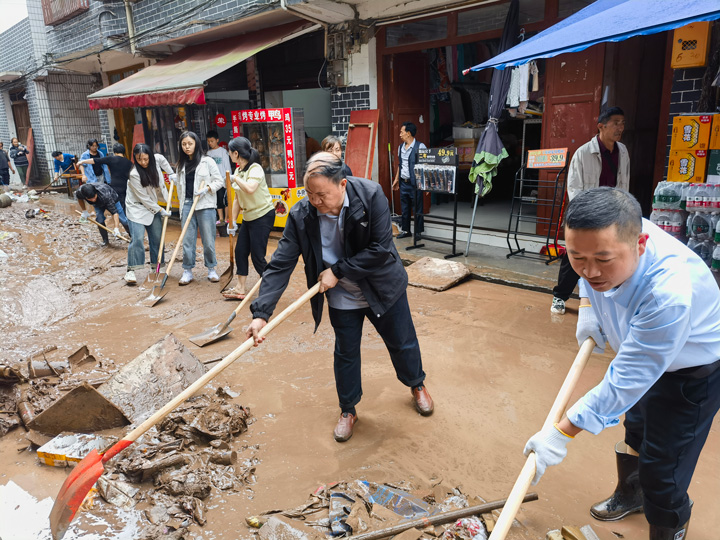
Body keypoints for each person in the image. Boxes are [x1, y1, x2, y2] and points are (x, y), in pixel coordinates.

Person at [524, 187, 720, 540]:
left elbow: (625, 380)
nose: (590, 270)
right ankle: (631, 495)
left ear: (641, 244)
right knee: (637, 432)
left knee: (664, 468)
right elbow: (589, 269)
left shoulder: (668, 294)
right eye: (577, 257)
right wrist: (587, 309)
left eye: (603, 259)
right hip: (643, 349)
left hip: (691, 373)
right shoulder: (611, 236)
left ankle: (667, 527)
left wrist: (561, 432)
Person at [245, 152, 434, 443]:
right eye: (310, 194)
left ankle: (416, 384)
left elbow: (381, 249)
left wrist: (338, 269)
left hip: (382, 286)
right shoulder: (301, 214)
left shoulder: (371, 196)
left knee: (402, 340)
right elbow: (280, 264)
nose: (316, 202)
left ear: (343, 184)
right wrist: (261, 313)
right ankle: (348, 409)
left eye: (322, 195)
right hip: (343, 295)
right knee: (346, 353)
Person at [551, 107, 630, 315]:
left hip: (611, 213)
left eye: (622, 123)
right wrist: (588, 215)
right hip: (586, 214)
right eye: (616, 123)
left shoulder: (623, 152)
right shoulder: (583, 153)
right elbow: (575, 189)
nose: (620, 128)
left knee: (607, 256)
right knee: (574, 256)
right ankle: (559, 297)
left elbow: (623, 185)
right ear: (601, 126)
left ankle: (603, 300)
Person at [226, 136, 275, 299]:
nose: (229, 155)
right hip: (248, 216)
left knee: (257, 255)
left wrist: (235, 179)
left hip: (263, 215)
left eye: (230, 152)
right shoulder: (238, 171)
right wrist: (231, 222)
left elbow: (250, 189)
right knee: (240, 251)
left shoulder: (255, 169)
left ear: (236, 153)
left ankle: (270, 287)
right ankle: (240, 288)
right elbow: (237, 199)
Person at [175, 131, 224, 285]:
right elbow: (180, 188)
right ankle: (187, 271)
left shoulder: (207, 161)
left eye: (190, 143)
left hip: (205, 204)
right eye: (184, 144)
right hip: (187, 204)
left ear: (196, 143)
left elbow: (219, 181)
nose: (187, 147)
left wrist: (207, 188)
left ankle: (211, 269)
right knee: (188, 239)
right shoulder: (180, 164)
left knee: (208, 239)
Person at [125, 144, 175, 285]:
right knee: (138, 238)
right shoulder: (134, 174)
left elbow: (164, 162)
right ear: (135, 158)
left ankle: (156, 268)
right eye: (139, 159)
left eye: (146, 159)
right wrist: (160, 210)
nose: (143, 162)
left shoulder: (156, 159)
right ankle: (131, 270)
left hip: (152, 205)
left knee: (157, 239)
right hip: (137, 208)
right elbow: (144, 198)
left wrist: (171, 174)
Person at [392, 122, 426, 240]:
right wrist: (396, 179)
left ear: (408, 133)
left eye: (402, 132)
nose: (400, 134)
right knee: (405, 208)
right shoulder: (400, 147)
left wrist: (425, 184)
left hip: (415, 184)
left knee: (417, 208)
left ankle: (418, 232)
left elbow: (425, 166)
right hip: (403, 182)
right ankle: (406, 230)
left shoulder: (420, 147)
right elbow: (399, 165)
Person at [78, 144, 133, 214]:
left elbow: (96, 160)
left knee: (116, 205)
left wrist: (82, 161)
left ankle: (120, 220)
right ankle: (127, 219)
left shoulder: (111, 159)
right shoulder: (129, 162)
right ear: (124, 152)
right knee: (125, 204)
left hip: (115, 187)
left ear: (114, 152)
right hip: (125, 186)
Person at [206, 130, 232, 225]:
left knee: (225, 200)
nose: (210, 143)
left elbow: (227, 166)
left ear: (217, 140)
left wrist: (228, 179)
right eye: (208, 141)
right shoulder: (208, 153)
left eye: (212, 141)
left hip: (223, 179)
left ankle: (226, 218)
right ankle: (220, 219)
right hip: (213, 181)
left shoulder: (223, 152)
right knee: (217, 200)